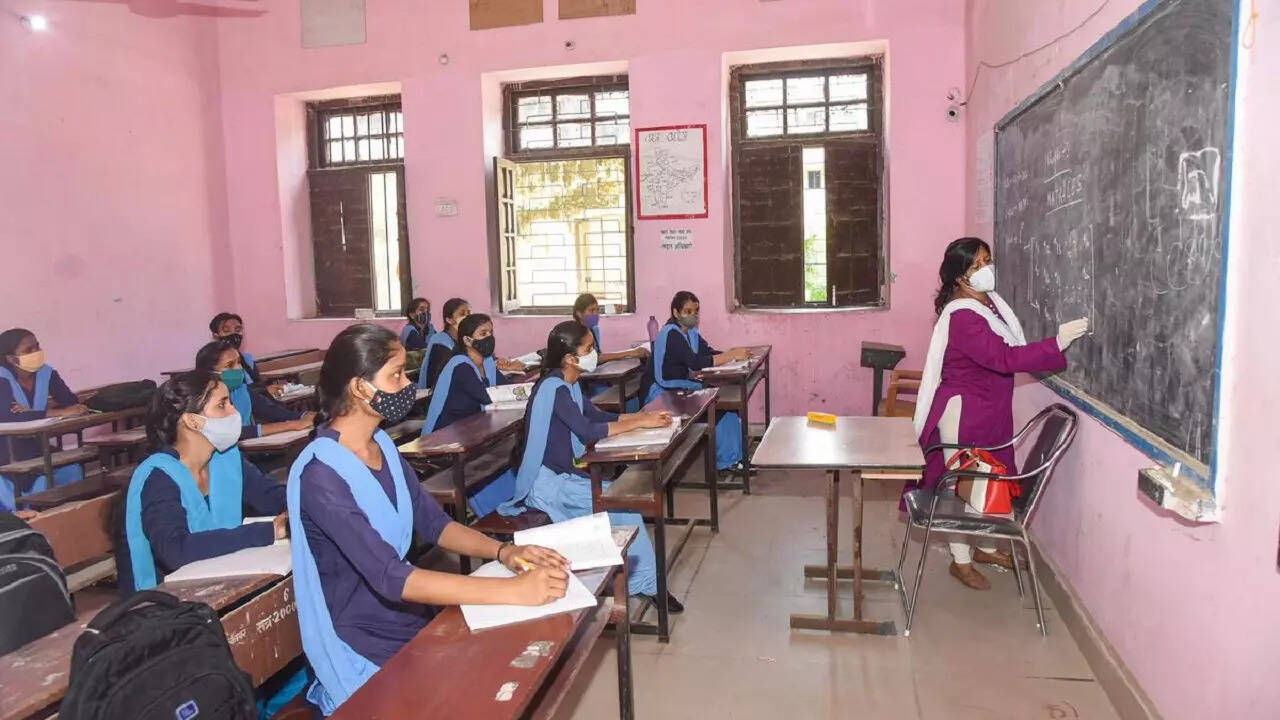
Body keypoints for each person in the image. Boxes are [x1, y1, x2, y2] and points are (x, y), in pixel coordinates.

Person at [288, 323, 569, 714]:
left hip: (405, 618)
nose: (407, 385)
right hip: (361, 640)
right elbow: (391, 576)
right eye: (396, 375)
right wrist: (513, 591)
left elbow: (435, 524)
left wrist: (504, 552)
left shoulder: (381, 445)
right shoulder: (320, 474)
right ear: (359, 387)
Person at [909, 237, 1088, 591]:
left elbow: (1005, 352)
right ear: (960, 277)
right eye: (975, 265)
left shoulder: (988, 302)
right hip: (965, 411)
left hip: (990, 407)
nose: (985, 269)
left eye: (987, 260)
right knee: (962, 484)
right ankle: (960, 561)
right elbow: (1003, 357)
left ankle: (986, 547)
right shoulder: (963, 315)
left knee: (990, 477)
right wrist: (1056, 343)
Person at [500, 320, 682, 612]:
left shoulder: (569, 385)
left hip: (563, 477)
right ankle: (646, 585)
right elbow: (587, 430)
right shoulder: (554, 388)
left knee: (621, 503)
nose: (594, 353)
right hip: (547, 484)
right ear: (570, 358)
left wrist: (641, 419)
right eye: (588, 348)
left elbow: (596, 416)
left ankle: (637, 581)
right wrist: (639, 422)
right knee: (624, 506)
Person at [117, 371, 288, 593]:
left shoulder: (226, 459)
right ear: (193, 421)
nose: (234, 412)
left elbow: (272, 497)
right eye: (222, 405)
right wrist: (268, 531)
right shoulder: (159, 477)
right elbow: (175, 550)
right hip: (164, 598)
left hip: (219, 575)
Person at [420, 313, 515, 517]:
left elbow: (505, 389)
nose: (489, 337)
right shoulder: (460, 365)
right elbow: (488, 397)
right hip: (445, 438)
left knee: (505, 452)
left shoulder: (487, 363)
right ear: (467, 340)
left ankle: (505, 508)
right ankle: (493, 514)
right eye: (483, 333)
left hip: (471, 429)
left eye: (490, 332)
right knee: (491, 459)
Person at [646, 291, 752, 471]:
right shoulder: (671, 334)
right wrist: (730, 355)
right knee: (720, 409)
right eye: (687, 311)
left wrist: (735, 356)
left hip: (683, 387)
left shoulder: (690, 332)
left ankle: (735, 456)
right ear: (676, 312)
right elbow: (695, 362)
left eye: (695, 311)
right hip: (666, 393)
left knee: (727, 405)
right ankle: (728, 461)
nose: (693, 315)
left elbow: (707, 352)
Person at [0, 328, 88, 511]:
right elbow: (7, 417)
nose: (36, 352)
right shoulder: (2, 378)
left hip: (36, 444)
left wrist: (31, 412)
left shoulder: (46, 373)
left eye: (37, 346)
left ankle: (69, 512)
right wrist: (51, 412)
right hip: (7, 450)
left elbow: (70, 402)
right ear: (11, 359)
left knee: (72, 468)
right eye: (28, 350)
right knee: (38, 477)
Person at [195, 340, 314, 441]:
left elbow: (271, 411)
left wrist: (305, 416)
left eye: (239, 362)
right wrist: (289, 425)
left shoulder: (241, 390)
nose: (238, 368)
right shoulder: (203, 401)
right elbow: (231, 432)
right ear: (210, 373)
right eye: (229, 365)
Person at [418, 298, 524, 390]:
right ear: (449, 320)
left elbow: (482, 360)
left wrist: (502, 364)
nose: (467, 317)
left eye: (469, 313)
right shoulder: (440, 343)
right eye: (462, 314)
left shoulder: (471, 341)